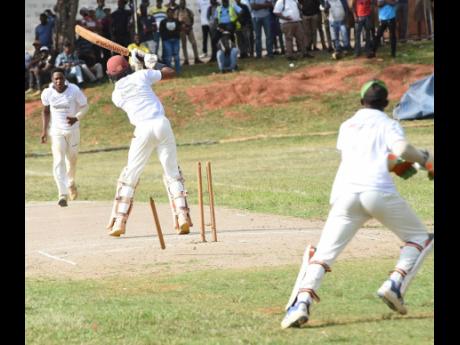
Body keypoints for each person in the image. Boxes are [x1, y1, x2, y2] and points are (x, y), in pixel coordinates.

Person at [281, 79, 434, 329]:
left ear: (361, 101)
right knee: (420, 237)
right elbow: (402, 149)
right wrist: (424, 160)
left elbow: (370, 158)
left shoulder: (347, 125)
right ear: (385, 104)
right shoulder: (388, 123)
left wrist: (403, 165)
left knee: (323, 254)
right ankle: (394, 284)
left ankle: (301, 302)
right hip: (377, 192)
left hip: (345, 194)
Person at [104, 52, 192, 237]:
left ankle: (119, 221)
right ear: (127, 68)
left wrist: (141, 68)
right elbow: (171, 72)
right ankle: (182, 217)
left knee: (130, 175)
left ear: (111, 76)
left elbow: (131, 86)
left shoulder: (116, 95)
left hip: (142, 129)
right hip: (161, 124)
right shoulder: (141, 75)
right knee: (172, 173)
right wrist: (151, 63)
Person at [40, 68, 89, 207]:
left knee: (72, 160)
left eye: (61, 78)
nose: (59, 81)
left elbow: (85, 107)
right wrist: (44, 131)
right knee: (58, 160)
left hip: (73, 131)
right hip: (56, 132)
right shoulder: (47, 93)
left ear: (65, 78)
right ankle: (62, 194)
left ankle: (71, 182)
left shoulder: (74, 90)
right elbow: (45, 112)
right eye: (56, 79)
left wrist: (76, 118)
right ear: (52, 80)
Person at [177, 0, 203, 65]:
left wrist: (189, 26)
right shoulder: (177, 12)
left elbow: (192, 19)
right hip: (182, 30)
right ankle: (186, 60)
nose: (182, 4)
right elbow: (176, 21)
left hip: (189, 29)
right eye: (181, 3)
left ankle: (196, 58)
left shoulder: (188, 11)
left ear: (185, 4)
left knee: (194, 43)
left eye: (183, 3)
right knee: (184, 45)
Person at [159, 7, 182, 72]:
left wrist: (176, 36)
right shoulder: (163, 22)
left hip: (175, 40)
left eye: (172, 13)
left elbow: (179, 29)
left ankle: (178, 71)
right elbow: (161, 31)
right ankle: (169, 71)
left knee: (176, 56)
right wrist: (164, 39)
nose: (170, 14)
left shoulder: (176, 21)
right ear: (167, 14)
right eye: (169, 13)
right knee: (168, 57)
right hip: (167, 41)